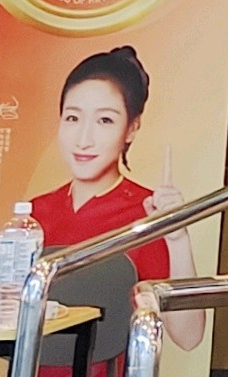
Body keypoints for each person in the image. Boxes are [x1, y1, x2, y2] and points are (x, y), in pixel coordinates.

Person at [19, 46, 175, 285]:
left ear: (131, 128)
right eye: (73, 118)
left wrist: (177, 238)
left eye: (104, 120)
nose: (83, 140)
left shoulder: (149, 213)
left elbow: (180, 312)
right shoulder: (35, 214)